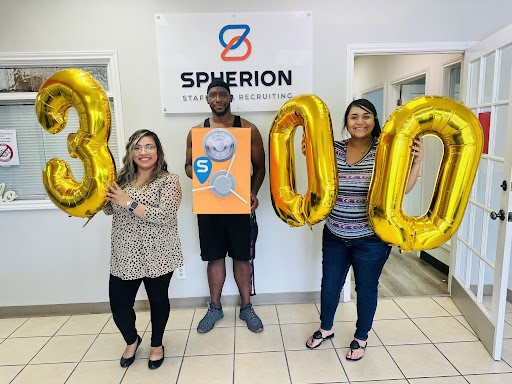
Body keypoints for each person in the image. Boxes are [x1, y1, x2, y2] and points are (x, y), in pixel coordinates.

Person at [305, 99, 423, 361]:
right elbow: (320, 181)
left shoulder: (386, 150)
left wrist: (416, 163)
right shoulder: (333, 149)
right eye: (354, 117)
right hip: (334, 233)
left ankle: (361, 337)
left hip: (371, 239)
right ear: (346, 122)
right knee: (330, 285)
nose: (360, 122)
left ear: (374, 120)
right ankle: (326, 329)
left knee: (366, 288)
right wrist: (309, 155)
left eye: (366, 116)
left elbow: (401, 190)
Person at [184, 79, 266, 333]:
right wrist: (203, 175)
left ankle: (246, 307)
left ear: (230, 98)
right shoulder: (196, 132)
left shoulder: (248, 129)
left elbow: (261, 167)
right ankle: (215, 308)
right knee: (214, 257)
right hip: (209, 205)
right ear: (207, 100)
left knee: (243, 258)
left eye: (222, 94)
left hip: (240, 205)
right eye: (213, 95)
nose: (218, 99)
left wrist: (252, 192)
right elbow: (188, 166)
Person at [103, 129, 183, 369]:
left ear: (158, 151)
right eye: (137, 147)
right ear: (130, 152)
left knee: (158, 301)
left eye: (149, 146)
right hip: (125, 253)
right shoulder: (120, 180)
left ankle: (156, 344)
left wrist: (127, 202)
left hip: (159, 252)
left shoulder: (169, 180)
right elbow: (108, 210)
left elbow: (165, 216)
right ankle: (132, 340)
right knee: (119, 305)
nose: (143, 152)